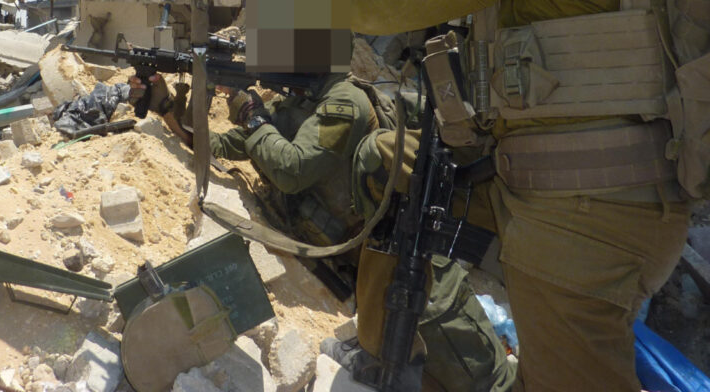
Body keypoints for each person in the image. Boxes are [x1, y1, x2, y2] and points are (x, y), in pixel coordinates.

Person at [228, 0, 690, 392]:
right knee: (393, 165)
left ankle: (476, 372)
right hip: (603, 188)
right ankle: (415, 344)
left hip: (582, 207)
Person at [131, 31, 516, 392]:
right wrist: (167, 106)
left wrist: (252, 114)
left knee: (485, 383)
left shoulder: (344, 102)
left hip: (422, 290)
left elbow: (291, 170)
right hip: (374, 287)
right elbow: (221, 145)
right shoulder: (295, 106)